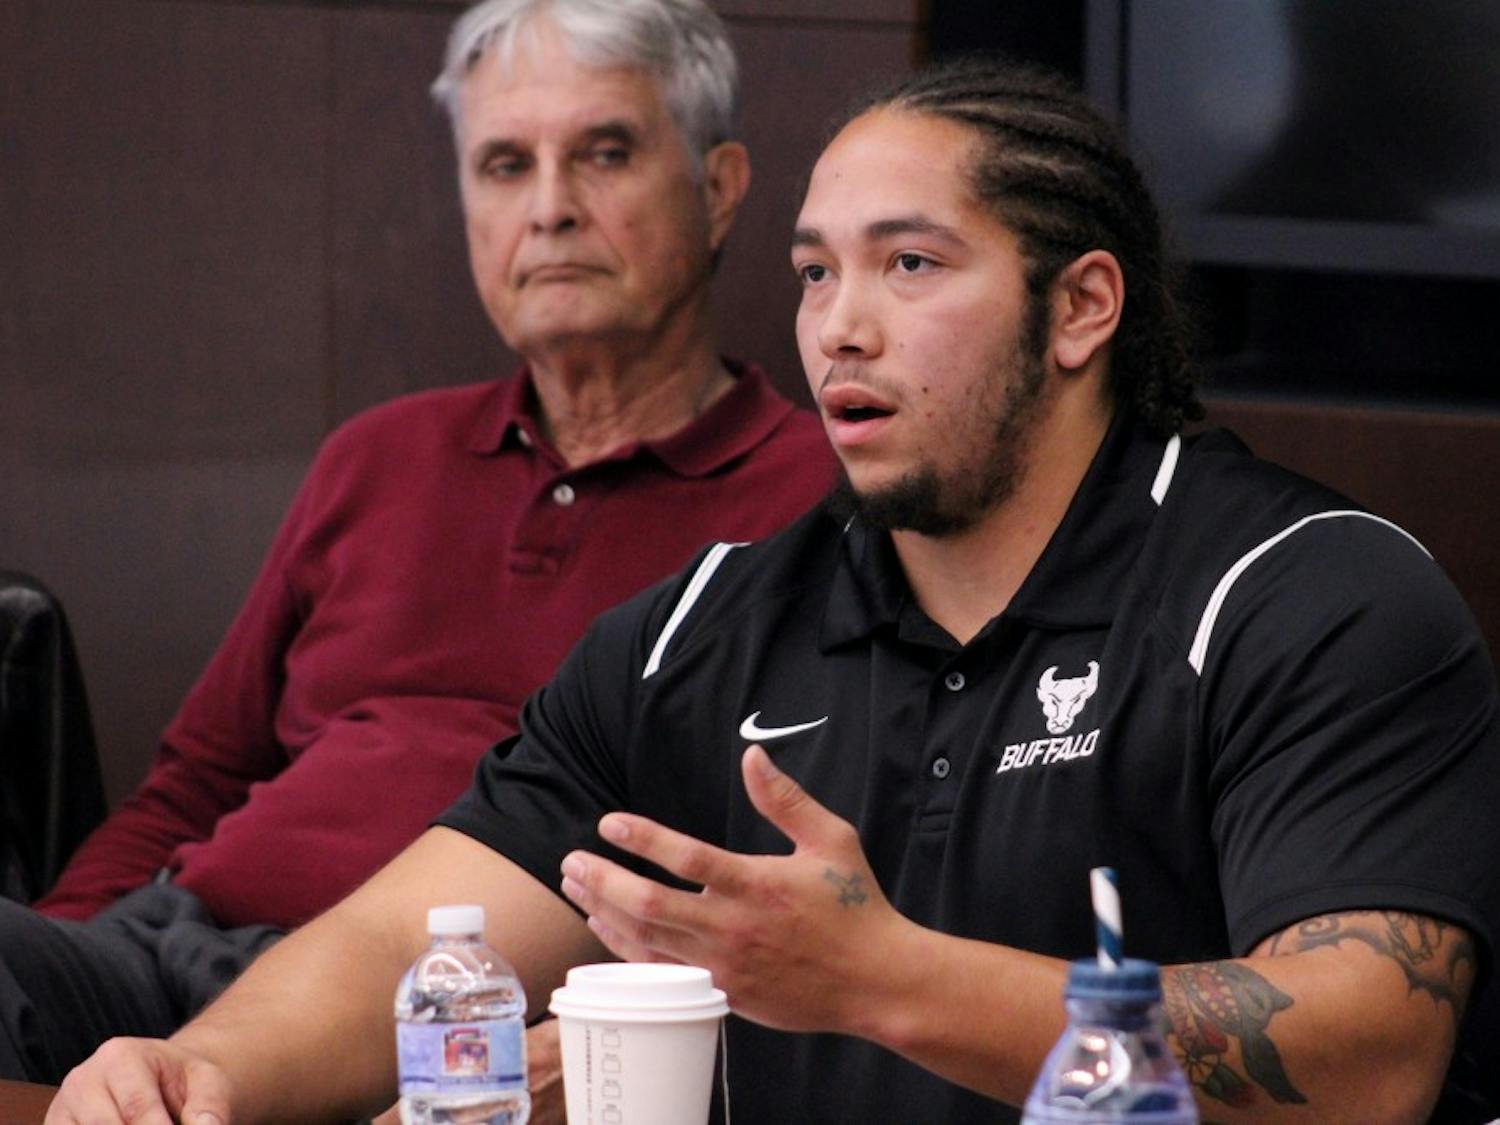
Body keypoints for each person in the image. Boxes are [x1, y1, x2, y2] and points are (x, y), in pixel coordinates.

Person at [48, 55, 1500, 1125]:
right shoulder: (707, 625)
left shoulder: (1306, 596)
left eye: (910, 264)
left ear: (1082, 309)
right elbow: (417, 932)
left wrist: (878, 977)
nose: (840, 326)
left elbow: (1371, 1055)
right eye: (813, 274)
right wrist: (206, 1069)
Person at [2, 0, 836, 1088]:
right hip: (169, 950)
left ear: (719, 189)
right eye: (502, 165)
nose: (549, 210)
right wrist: (51, 970)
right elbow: (189, 785)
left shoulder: (819, 494)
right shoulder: (379, 457)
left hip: (465, 1014)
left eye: (606, 153)